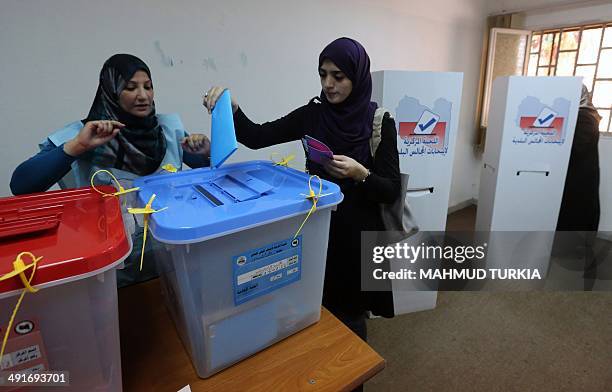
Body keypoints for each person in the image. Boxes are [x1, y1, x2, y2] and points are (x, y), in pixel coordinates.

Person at [203, 37, 400, 341]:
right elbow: (257, 136)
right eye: (323, 74)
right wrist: (234, 109)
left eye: (339, 76)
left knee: (351, 318)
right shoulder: (313, 114)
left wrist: (361, 173)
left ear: (358, 76)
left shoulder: (380, 122)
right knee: (314, 306)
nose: (329, 84)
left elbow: (391, 190)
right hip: (318, 225)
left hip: (358, 234)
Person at [10, 54, 211, 286]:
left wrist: (204, 152)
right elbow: (21, 186)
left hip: (166, 260)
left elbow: (205, 171)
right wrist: (77, 147)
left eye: (148, 86)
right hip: (108, 269)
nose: (143, 96)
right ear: (111, 90)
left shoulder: (166, 130)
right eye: (130, 87)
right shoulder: (84, 135)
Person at [556, 85, 601, 280]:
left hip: (580, 176)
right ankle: (566, 247)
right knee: (571, 212)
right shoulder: (583, 113)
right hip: (577, 174)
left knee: (577, 213)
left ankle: (574, 250)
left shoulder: (585, 116)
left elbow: (576, 147)